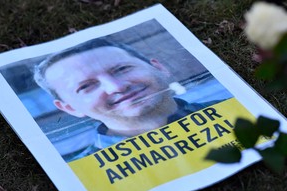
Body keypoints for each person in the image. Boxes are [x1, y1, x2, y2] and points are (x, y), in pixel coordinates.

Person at [34, 38, 219, 150]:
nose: (116, 87)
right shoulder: (84, 175)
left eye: (122, 69)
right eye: (86, 86)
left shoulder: (237, 108)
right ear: (71, 108)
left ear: (159, 67)